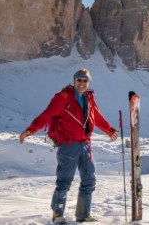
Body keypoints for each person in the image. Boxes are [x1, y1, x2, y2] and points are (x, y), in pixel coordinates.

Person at [19, 68, 119, 223]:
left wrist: (109, 129)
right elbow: (47, 114)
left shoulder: (89, 98)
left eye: (85, 80)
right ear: (74, 81)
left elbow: (96, 117)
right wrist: (31, 130)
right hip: (68, 145)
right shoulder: (63, 97)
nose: (82, 83)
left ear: (88, 82)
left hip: (85, 145)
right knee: (64, 181)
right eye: (79, 80)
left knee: (89, 180)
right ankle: (58, 215)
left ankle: (83, 215)